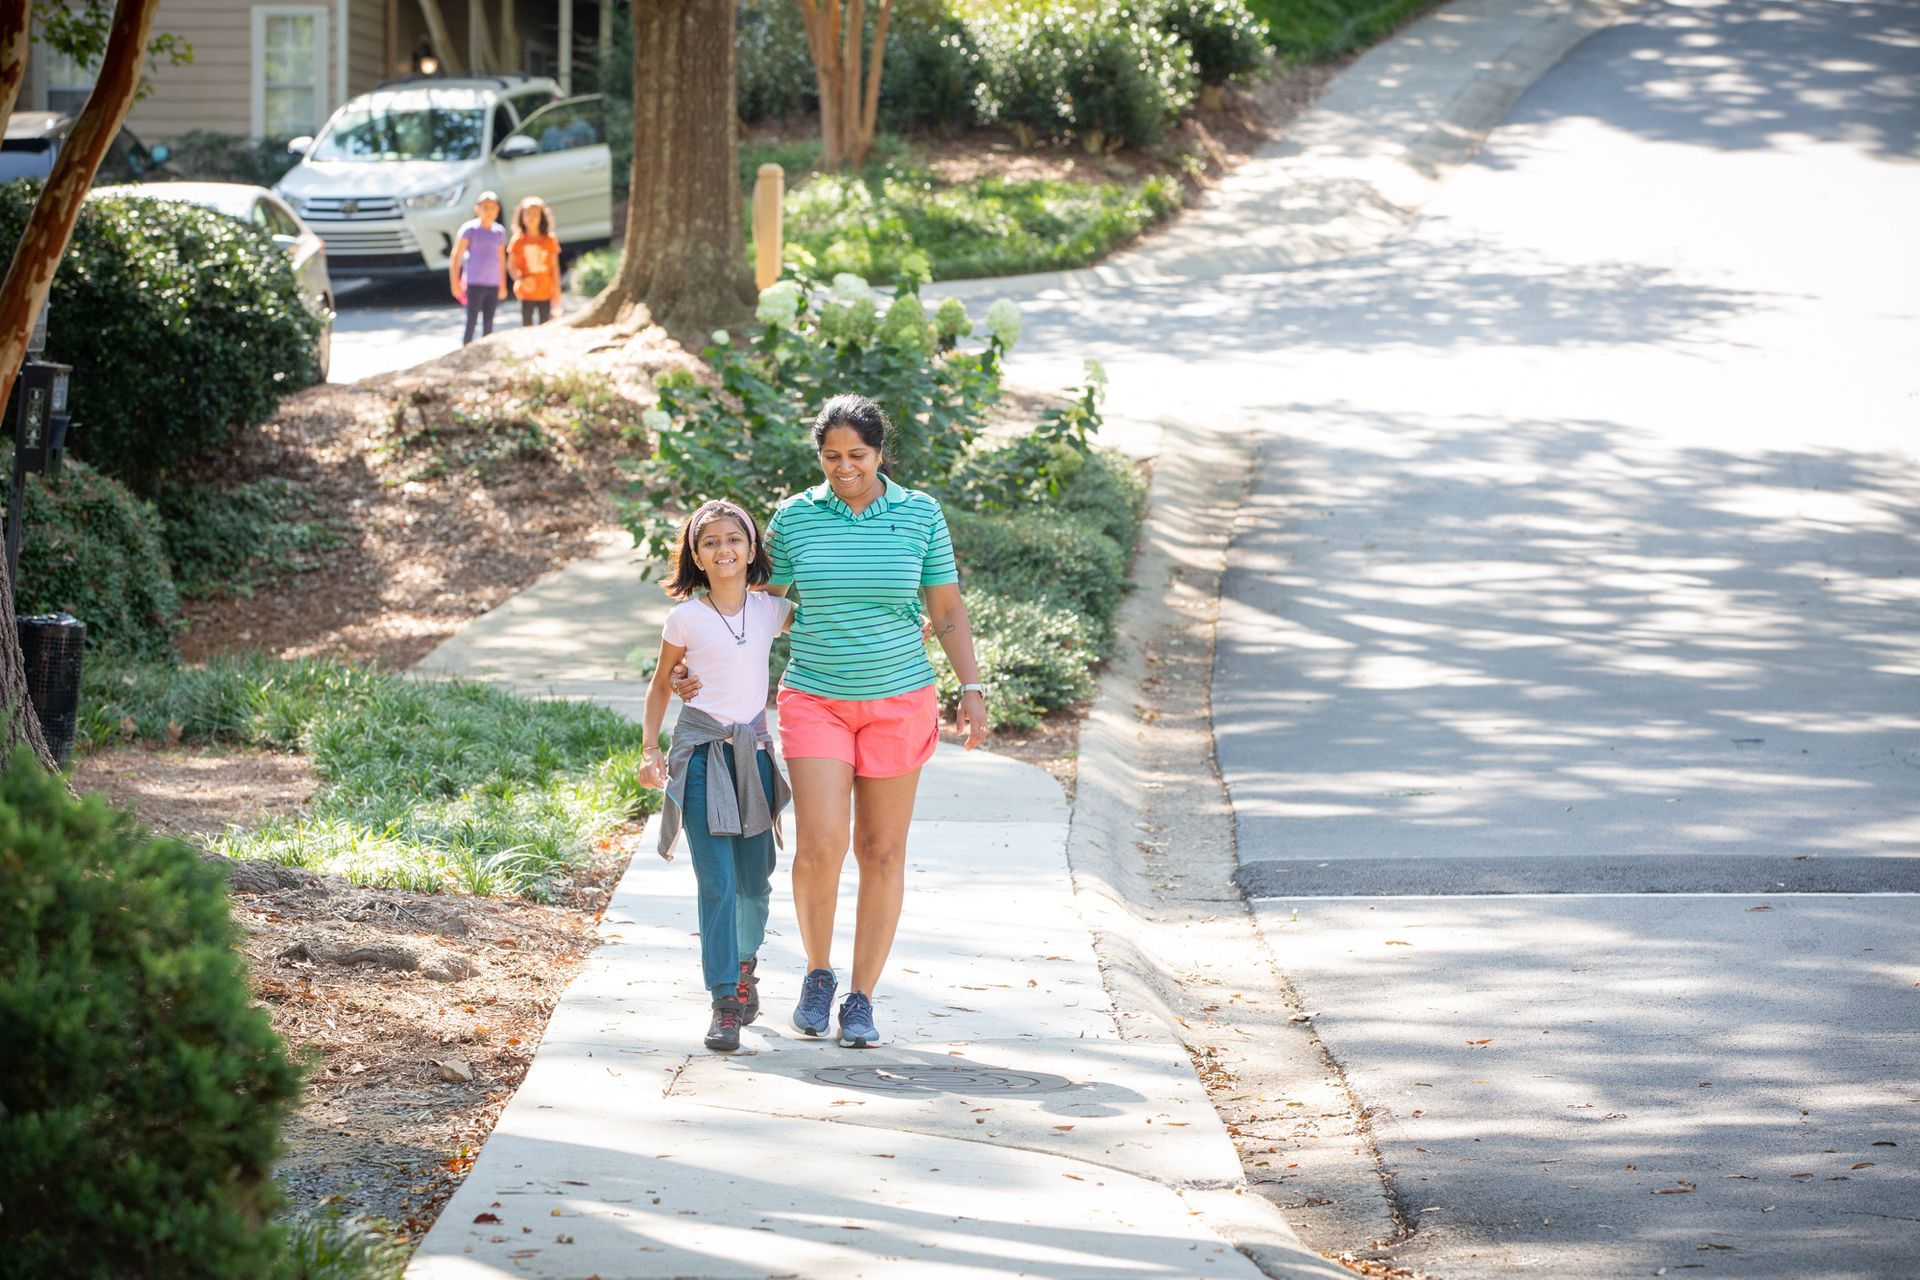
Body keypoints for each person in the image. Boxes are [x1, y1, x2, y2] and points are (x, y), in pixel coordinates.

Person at [673, 395, 988, 1049]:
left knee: (882, 851)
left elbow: (948, 609)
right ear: (819, 456)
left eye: (858, 456)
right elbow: (755, 607)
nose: (844, 468)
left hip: (900, 699)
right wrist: (692, 661)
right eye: (831, 456)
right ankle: (818, 974)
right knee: (820, 847)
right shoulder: (795, 518)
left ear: (881, 454)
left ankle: (862, 998)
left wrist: (973, 686)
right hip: (816, 697)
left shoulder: (920, 514)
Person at [637, 500, 795, 1053]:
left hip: (753, 755)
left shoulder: (771, 611)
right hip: (701, 753)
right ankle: (724, 998)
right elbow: (661, 684)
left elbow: (827, 602)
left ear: (751, 549)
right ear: (695, 556)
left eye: (735, 539)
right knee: (718, 881)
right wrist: (648, 748)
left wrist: (903, 617)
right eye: (709, 542)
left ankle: (745, 966)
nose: (723, 549)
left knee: (756, 878)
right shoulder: (686, 618)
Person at [449, 191, 509, 345]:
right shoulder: (469, 229)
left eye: (493, 207)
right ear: (477, 208)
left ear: (497, 210)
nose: (489, 211)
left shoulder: (499, 232)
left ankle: (485, 355)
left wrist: (503, 285)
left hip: (493, 283)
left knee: (489, 323)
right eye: (485, 207)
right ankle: (465, 352)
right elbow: (456, 256)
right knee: (471, 321)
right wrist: (454, 283)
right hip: (474, 283)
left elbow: (501, 258)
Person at [507, 196, 561, 327]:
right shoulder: (518, 240)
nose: (531, 217)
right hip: (527, 293)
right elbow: (510, 266)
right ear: (521, 216)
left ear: (542, 217)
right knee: (527, 325)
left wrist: (556, 290)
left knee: (545, 324)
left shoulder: (549, 239)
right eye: (527, 213)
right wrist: (520, 280)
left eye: (535, 214)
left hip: (545, 290)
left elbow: (554, 266)